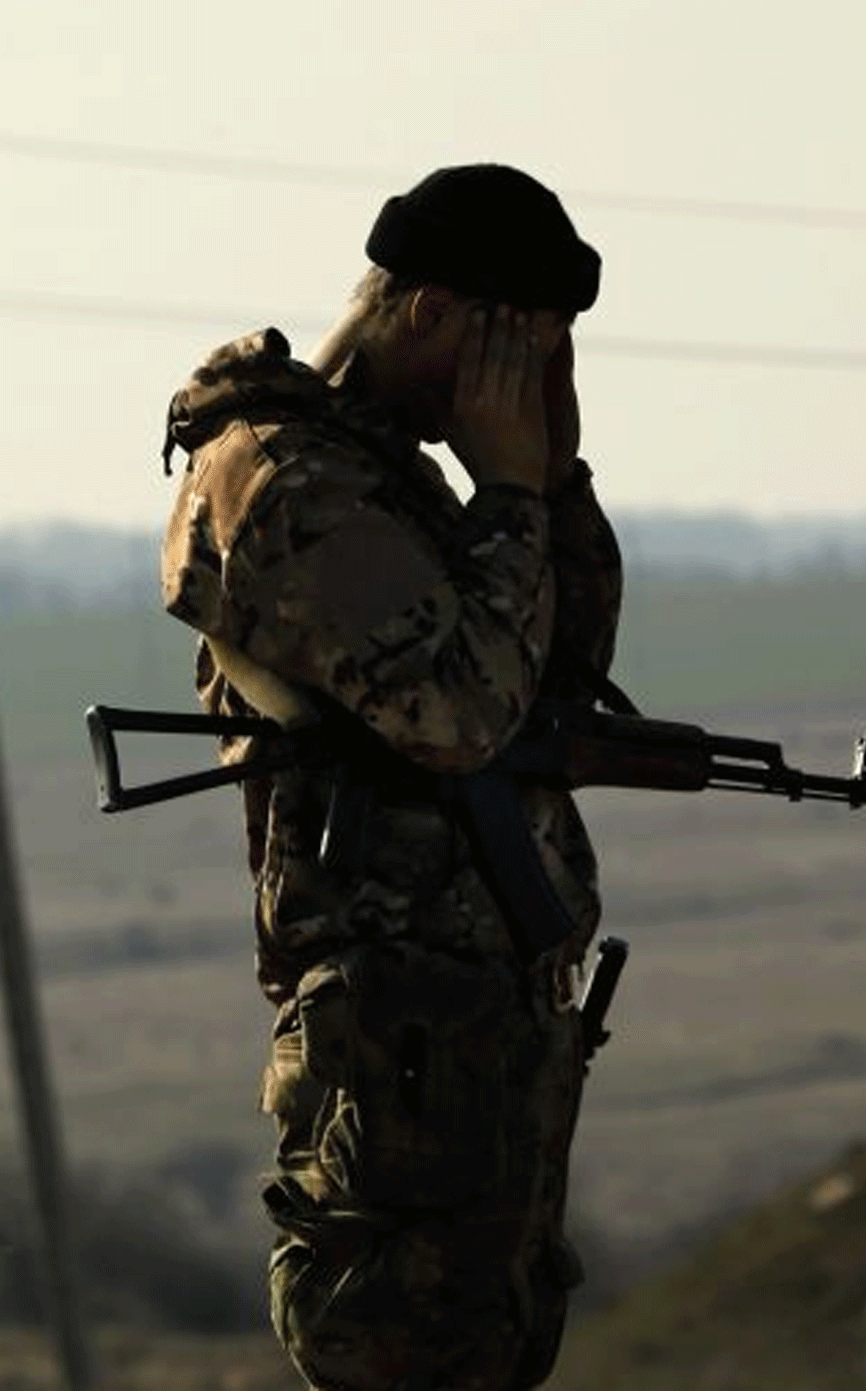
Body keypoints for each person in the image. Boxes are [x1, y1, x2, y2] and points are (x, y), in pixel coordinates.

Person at [158, 164, 623, 1391]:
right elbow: (462, 714)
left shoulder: (394, 482)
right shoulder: (280, 482)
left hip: (472, 1032)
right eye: (520, 348)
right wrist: (510, 490)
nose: (530, 381)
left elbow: (558, 670)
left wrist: (552, 478)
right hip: (391, 1046)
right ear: (430, 316)